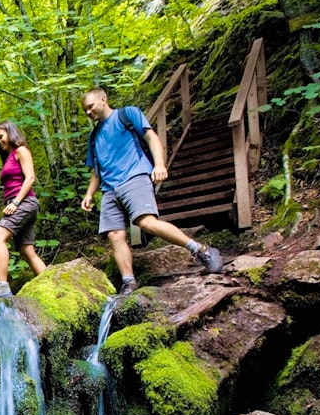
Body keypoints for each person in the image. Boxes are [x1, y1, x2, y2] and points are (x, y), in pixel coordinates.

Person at [80, 88, 222, 297]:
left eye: (90, 107)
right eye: (85, 109)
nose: (88, 112)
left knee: (146, 222)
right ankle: (128, 282)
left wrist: (159, 164)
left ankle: (201, 250)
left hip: (135, 176)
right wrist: (89, 194)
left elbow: (151, 137)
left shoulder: (127, 114)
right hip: (109, 189)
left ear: (103, 99)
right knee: (114, 235)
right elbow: (97, 172)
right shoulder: (94, 137)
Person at [0, 121, 46, 298]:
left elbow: (30, 178)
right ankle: (51, 284)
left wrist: (15, 203)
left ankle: (2, 286)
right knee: (26, 250)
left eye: (1, 136)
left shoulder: (21, 151)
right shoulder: (8, 157)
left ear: (10, 133)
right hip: (20, 203)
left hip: (24, 203)